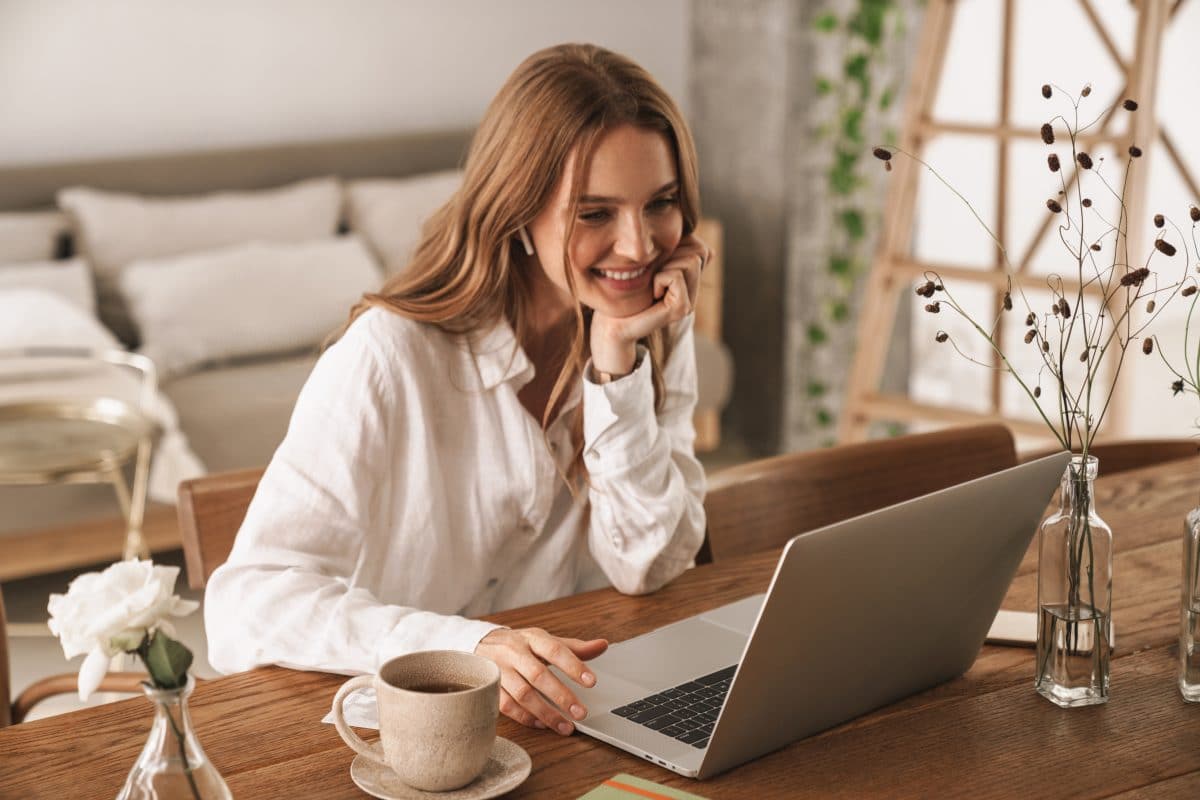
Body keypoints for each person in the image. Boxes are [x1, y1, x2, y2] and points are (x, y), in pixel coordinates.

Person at [205, 43, 710, 738]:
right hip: (393, 743)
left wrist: (616, 373)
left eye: (661, 204)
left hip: (563, 722)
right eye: (594, 214)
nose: (639, 247)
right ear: (518, 209)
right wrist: (466, 646)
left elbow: (647, 565)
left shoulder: (647, 331)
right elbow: (244, 604)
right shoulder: (389, 356)